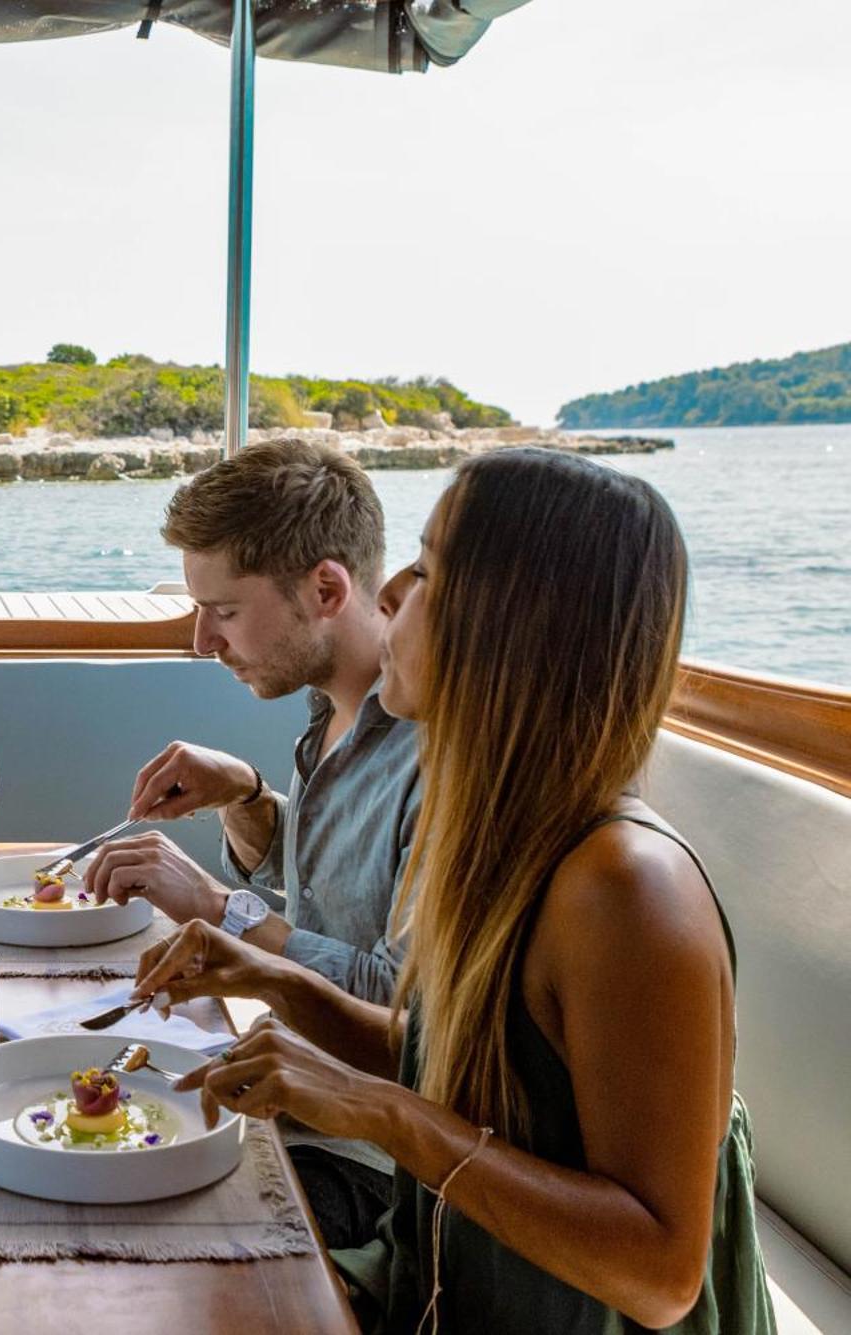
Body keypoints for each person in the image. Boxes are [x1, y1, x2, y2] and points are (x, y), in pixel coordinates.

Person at [137, 448, 773, 1333]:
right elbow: (467, 1066)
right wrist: (269, 976)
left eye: (428, 568)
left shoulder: (626, 887)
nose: (388, 592)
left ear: (512, 623)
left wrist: (383, 1111)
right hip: (440, 1286)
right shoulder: (512, 842)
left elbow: (661, 1272)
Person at [86, 436, 420, 1245]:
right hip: (287, 1093)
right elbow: (327, 907)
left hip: (369, 1160)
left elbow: (393, 1001)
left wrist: (217, 905)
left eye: (224, 612)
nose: (203, 641)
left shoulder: (431, 751)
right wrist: (247, 796)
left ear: (327, 587)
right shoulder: (326, 709)